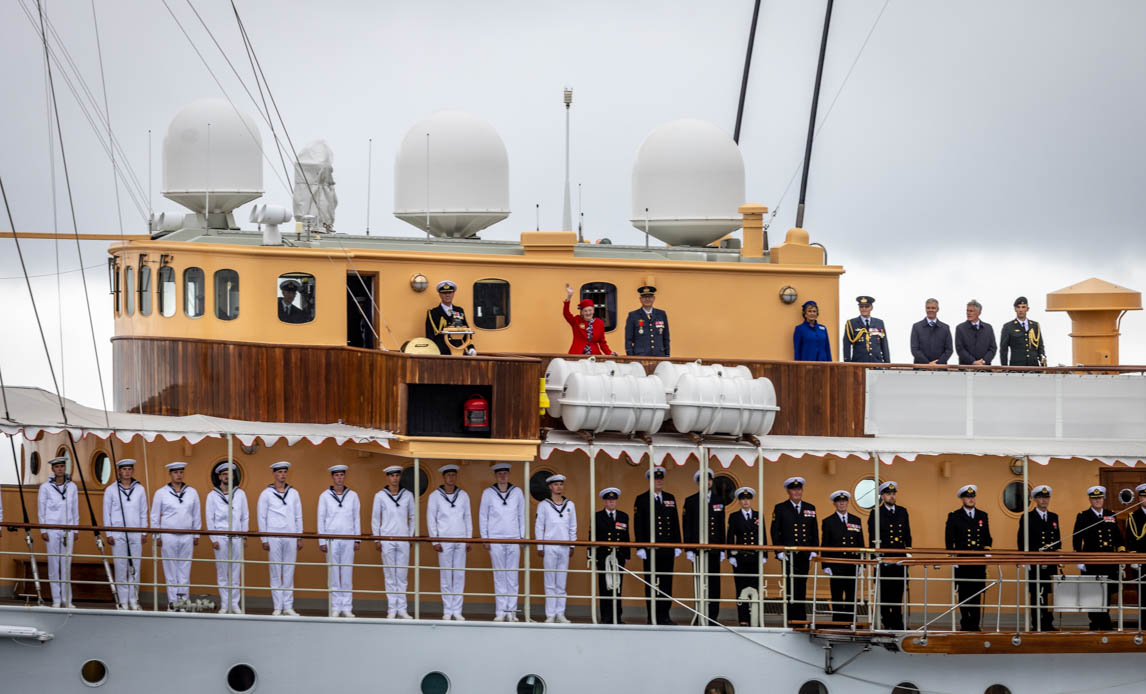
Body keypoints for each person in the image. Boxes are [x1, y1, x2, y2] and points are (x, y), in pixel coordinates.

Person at [1072, 485, 1126, 630]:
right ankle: (1097, 622)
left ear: (1104, 499)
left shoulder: (1111, 515)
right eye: (1094, 498)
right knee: (1092, 593)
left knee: (1107, 593)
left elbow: (1118, 539)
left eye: (1100, 498)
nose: (1097, 501)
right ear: (1090, 499)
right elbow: (1077, 538)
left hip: (1108, 562)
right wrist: (1079, 559)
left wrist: (1121, 555)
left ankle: (1104, 619)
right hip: (1092, 562)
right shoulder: (1083, 516)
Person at [634, 466, 682, 625]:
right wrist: (640, 546)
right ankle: (652, 616)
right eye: (656, 479)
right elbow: (638, 524)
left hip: (667, 548)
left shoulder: (670, 498)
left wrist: (677, 544)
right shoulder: (641, 499)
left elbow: (675, 522)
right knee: (651, 583)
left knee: (667, 583)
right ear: (650, 480)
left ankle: (665, 616)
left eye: (661, 479)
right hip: (650, 550)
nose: (659, 481)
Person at [150, 461, 201, 608]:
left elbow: (196, 514)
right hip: (168, 535)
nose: (179, 475)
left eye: (181, 472)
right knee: (170, 569)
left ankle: (183, 602)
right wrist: (156, 536)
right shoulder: (161, 493)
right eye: (175, 472)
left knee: (185, 570)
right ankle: (172, 602)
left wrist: (196, 534)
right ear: (170, 474)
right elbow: (154, 516)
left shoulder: (192, 492)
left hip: (187, 535)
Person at [479, 462, 525, 622]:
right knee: (499, 575)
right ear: (495, 475)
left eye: (505, 473)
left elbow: (521, 515)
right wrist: (485, 537)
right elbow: (483, 516)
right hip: (495, 538)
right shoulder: (488, 493)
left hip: (513, 537)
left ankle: (511, 611)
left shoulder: (517, 492)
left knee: (512, 575)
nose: (503, 476)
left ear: (509, 475)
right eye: (500, 473)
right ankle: (500, 611)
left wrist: (522, 537)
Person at [427, 464, 473, 621]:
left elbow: (468, 518)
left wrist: (468, 538)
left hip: (460, 538)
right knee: (446, 575)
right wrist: (435, 540)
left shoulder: (463, 495)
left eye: (453, 475)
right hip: (444, 540)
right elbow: (431, 519)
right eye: (448, 475)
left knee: (459, 575)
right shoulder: (435, 496)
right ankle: (448, 609)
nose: (451, 478)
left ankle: (457, 610)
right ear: (443, 477)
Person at [770, 477, 819, 625]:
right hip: (788, 555)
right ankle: (791, 617)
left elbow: (814, 531)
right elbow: (775, 531)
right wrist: (778, 551)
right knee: (790, 586)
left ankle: (801, 617)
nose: (797, 492)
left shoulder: (810, 508)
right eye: (793, 490)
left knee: (802, 585)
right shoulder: (780, 508)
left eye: (799, 489)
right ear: (788, 491)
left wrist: (814, 550)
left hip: (804, 554)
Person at [257, 461, 303, 616]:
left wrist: (299, 536)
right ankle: (277, 605)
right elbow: (261, 517)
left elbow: (298, 516)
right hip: (273, 535)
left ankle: (288, 606)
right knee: (275, 571)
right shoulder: (266, 494)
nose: (282, 475)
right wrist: (264, 538)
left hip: (290, 535)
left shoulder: (294, 493)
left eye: (284, 472)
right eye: (279, 472)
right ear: (274, 474)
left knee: (289, 570)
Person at [944, 484, 992, 631]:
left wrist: (987, 552)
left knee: (977, 593)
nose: (971, 499)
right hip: (963, 561)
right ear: (962, 499)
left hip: (978, 561)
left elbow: (987, 538)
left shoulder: (982, 515)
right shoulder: (954, 516)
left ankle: (975, 624)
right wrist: (953, 558)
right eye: (968, 497)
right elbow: (949, 539)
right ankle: (965, 623)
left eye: (972, 497)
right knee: (964, 593)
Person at [103, 458, 148, 610]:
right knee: (121, 567)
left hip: (135, 532)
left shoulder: (140, 489)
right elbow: (106, 513)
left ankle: (134, 600)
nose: (127, 472)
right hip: (118, 533)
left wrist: (144, 531)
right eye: (124, 469)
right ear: (119, 471)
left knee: (135, 566)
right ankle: (123, 602)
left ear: (132, 471)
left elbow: (143, 512)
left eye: (129, 469)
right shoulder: (111, 490)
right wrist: (109, 532)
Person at [372, 464, 415, 619]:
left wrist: (410, 535)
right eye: (392, 476)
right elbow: (375, 519)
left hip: (403, 538)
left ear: (400, 477)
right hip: (387, 539)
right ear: (387, 477)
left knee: (402, 575)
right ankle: (392, 608)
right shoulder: (380, 496)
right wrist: (377, 538)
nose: (395, 478)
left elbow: (413, 517)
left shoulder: (408, 495)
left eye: (397, 475)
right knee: (390, 574)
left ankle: (402, 609)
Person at [317, 464, 361, 618]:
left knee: (347, 573)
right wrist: (322, 541)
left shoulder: (353, 495)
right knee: (334, 574)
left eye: (342, 475)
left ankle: (347, 607)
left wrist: (357, 539)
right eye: (336, 475)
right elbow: (320, 518)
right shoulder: (324, 496)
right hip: (331, 539)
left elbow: (356, 518)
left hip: (348, 538)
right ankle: (335, 606)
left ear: (344, 476)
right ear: (332, 477)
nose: (339, 478)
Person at [683, 469, 725, 624]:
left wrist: (722, 549)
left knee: (714, 583)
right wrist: (688, 549)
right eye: (702, 480)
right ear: (698, 483)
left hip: (714, 549)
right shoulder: (691, 501)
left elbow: (721, 526)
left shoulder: (718, 500)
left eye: (708, 480)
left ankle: (713, 617)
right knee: (699, 582)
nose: (706, 483)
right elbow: (686, 526)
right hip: (697, 550)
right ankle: (699, 615)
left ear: (711, 482)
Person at [205, 462, 248, 614]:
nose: (227, 476)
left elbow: (245, 516)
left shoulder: (240, 494)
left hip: (236, 536)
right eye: (224, 474)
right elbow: (210, 518)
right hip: (221, 537)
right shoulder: (212, 496)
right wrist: (213, 538)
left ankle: (234, 604)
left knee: (235, 572)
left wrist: (244, 536)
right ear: (219, 476)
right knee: (223, 572)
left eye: (229, 473)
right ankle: (225, 604)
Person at [868, 481, 911, 630]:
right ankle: (887, 620)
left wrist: (909, 552)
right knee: (885, 591)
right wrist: (875, 556)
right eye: (888, 494)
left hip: (899, 558)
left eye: (893, 494)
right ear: (882, 496)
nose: (891, 496)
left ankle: (897, 622)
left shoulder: (902, 511)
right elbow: (872, 535)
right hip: (884, 558)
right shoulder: (876, 513)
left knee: (898, 590)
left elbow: (907, 534)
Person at [1016, 484, 1060, 631]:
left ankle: (1048, 622)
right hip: (1034, 561)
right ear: (1035, 499)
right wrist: (1025, 558)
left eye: (1046, 497)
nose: (1044, 500)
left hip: (1050, 561)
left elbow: (1057, 540)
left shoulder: (1054, 517)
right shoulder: (1028, 517)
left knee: (1048, 593)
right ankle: (1037, 622)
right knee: (1036, 593)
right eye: (1041, 497)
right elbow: (1022, 539)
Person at [37, 456, 78, 608]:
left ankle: (67, 599)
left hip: (68, 528)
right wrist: (43, 528)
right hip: (52, 528)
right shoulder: (45, 487)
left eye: (62, 466)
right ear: (53, 469)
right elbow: (41, 510)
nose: (60, 469)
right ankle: (56, 599)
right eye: (57, 467)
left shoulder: (72, 487)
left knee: (66, 564)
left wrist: (76, 528)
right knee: (54, 564)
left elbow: (75, 509)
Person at [535, 474, 577, 623]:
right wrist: (540, 545)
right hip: (550, 545)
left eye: (561, 484)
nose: (559, 487)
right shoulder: (544, 505)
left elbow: (573, 526)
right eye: (556, 484)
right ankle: (550, 614)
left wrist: (573, 544)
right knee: (550, 582)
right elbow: (539, 526)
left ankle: (560, 613)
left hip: (564, 546)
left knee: (561, 582)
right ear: (550, 487)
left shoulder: (570, 505)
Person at [821, 490, 863, 624]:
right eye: (839, 502)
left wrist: (862, 564)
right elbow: (825, 544)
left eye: (844, 501)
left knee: (851, 595)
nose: (842, 504)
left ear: (847, 503)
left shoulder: (856, 520)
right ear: (835, 504)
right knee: (837, 596)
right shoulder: (828, 521)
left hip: (852, 564)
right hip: (836, 565)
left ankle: (851, 622)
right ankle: (838, 622)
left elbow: (860, 544)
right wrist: (826, 564)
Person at [726, 487, 764, 626]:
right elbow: (730, 536)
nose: (746, 501)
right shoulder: (734, 517)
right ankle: (743, 618)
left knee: (754, 587)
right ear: (739, 501)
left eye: (748, 499)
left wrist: (764, 555)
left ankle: (754, 618)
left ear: (751, 500)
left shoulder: (758, 516)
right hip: (740, 558)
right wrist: (730, 555)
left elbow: (763, 535)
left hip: (755, 557)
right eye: (743, 499)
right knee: (741, 588)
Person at [592, 487, 630, 624]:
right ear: (604, 501)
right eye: (609, 500)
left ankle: (617, 616)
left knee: (618, 586)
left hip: (618, 556)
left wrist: (627, 555)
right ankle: (606, 616)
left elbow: (626, 536)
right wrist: (592, 556)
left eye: (613, 500)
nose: (611, 502)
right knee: (604, 586)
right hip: (603, 556)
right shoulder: (597, 516)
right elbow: (593, 536)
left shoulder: (623, 516)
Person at [563, 283, 616, 356]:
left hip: (594, 356)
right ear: (582, 312)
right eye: (585, 311)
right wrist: (569, 296)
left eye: (590, 310)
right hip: (577, 354)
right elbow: (566, 314)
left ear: (593, 311)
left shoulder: (599, 323)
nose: (588, 313)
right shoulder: (577, 320)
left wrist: (610, 353)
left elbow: (602, 342)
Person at [425, 280, 476, 355]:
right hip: (440, 352)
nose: (447, 295)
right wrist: (432, 352)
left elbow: (466, 331)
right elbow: (430, 335)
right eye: (444, 293)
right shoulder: (433, 313)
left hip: (458, 350)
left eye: (450, 292)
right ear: (439, 294)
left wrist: (470, 347)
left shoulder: (459, 311)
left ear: (453, 294)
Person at [999, 296, 1046, 366]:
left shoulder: (1035, 326)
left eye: (1023, 307)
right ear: (1015, 309)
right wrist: (1005, 368)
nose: (1021, 310)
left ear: (1027, 309)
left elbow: (1040, 347)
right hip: (1017, 367)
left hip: (1034, 367)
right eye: (1018, 307)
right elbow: (1003, 350)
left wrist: (1043, 364)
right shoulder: (1008, 327)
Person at [624, 285, 670, 357]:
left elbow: (666, 337)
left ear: (654, 298)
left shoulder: (661, 314)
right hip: (640, 356)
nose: (647, 299)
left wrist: (667, 354)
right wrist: (630, 356)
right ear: (640, 299)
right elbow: (628, 339)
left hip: (659, 355)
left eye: (650, 297)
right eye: (644, 297)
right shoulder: (633, 315)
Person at [842, 295, 890, 363]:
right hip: (858, 363)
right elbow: (846, 345)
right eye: (861, 306)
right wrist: (848, 363)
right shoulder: (851, 323)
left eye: (867, 306)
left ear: (871, 308)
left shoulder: (879, 323)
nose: (864, 309)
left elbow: (884, 344)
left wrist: (887, 362)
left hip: (876, 362)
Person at [909, 298, 954, 364]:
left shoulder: (945, 328)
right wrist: (928, 364)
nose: (930, 310)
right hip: (921, 369)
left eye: (933, 308)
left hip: (940, 370)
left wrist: (937, 364)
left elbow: (949, 350)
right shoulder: (916, 327)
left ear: (937, 309)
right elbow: (915, 349)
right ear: (925, 309)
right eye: (928, 308)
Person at [1126, 484, 1146, 629]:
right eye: (1143, 496)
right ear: (1139, 498)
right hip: (1142, 561)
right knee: (1143, 594)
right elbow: (1131, 538)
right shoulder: (1133, 516)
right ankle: (1144, 623)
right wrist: (1134, 558)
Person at [955, 299, 997, 365]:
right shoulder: (960, 328)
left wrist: (983, 362)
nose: (968, 313)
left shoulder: (988, 328)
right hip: (966, 369)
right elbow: (960, 349)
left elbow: (992, 348)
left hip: (984, 369)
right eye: (967, 311)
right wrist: (973, 362)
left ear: (979, 313)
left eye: (971, 311)